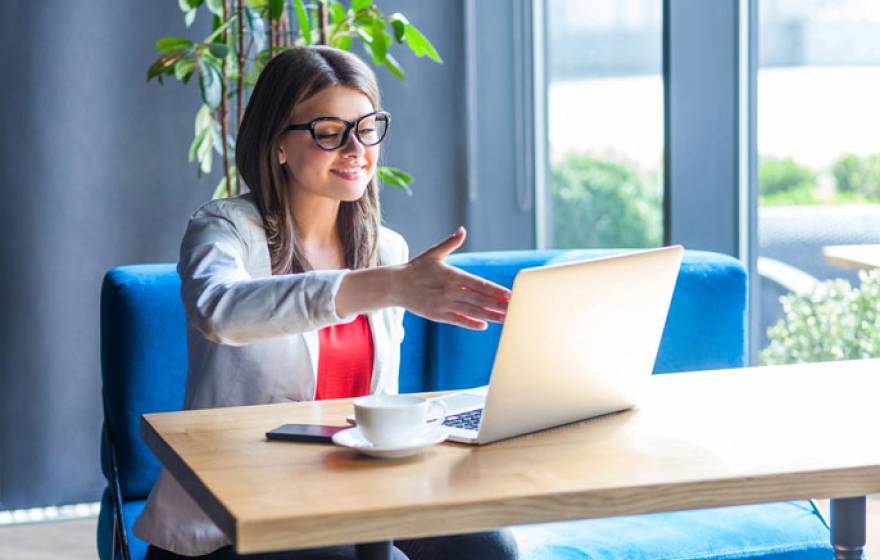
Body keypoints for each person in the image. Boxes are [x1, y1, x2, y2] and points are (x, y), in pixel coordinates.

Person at [134, 46, 518, 560]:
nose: (356, 148)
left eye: (367, 128)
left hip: (351, 492)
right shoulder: (224, 230)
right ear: (278, 146)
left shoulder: (386, 249)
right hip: (237, 510)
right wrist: (384, 286)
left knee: (490, 547)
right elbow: (218, 310)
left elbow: (377, 402)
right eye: (330, 132)